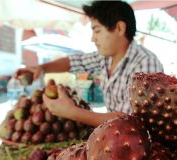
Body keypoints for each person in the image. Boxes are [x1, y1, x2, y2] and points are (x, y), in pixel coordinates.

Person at [15, 1, 163, 127]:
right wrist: (42, 68)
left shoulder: (146, 64)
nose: (93, 39)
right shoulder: (105, 58)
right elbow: (73, 61)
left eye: (97, 30)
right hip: (113, 137)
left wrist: (72, 112)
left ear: (119, 28)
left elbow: (132, 122)